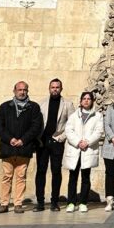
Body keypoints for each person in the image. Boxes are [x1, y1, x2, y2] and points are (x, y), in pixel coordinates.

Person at [0, 81, 43, 213]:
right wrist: (10, 139)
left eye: (24, 90)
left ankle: (18, 204)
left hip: (24, 148)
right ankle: (4, 203)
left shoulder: (34, 107)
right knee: (6, 176)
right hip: (7, 147)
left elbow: (36, 127)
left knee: (21, 177)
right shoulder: (5, 106)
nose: (22, 92)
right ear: (14, 91)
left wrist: (23, 140)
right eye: (20, 90)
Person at [35, 79, 74, 212]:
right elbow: (37, 123)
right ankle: (40, 202)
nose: (55, 89)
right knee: (41, 171)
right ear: (49, 88)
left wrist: (61, 138)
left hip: (57, 141)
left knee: (56, 171)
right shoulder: (41, 103)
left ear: (61, 89)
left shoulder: (67, 104)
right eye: (53, 87)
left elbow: (72, 124)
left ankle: (54, 202)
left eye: (57, 87)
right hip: (42, 142)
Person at [63, 91, 104, 213]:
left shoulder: (98, 116)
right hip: (75, 149)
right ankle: (71, 202)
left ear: (92, 101)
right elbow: (68, 130)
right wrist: (78, 142)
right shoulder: (74, 116)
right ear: (80, 101)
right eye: (84, 99)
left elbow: (98, 131)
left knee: (85, 177)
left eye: (88, 99)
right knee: (73, 177)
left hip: (88, 150)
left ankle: (83, 202)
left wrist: (87, 142)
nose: (86, 101)